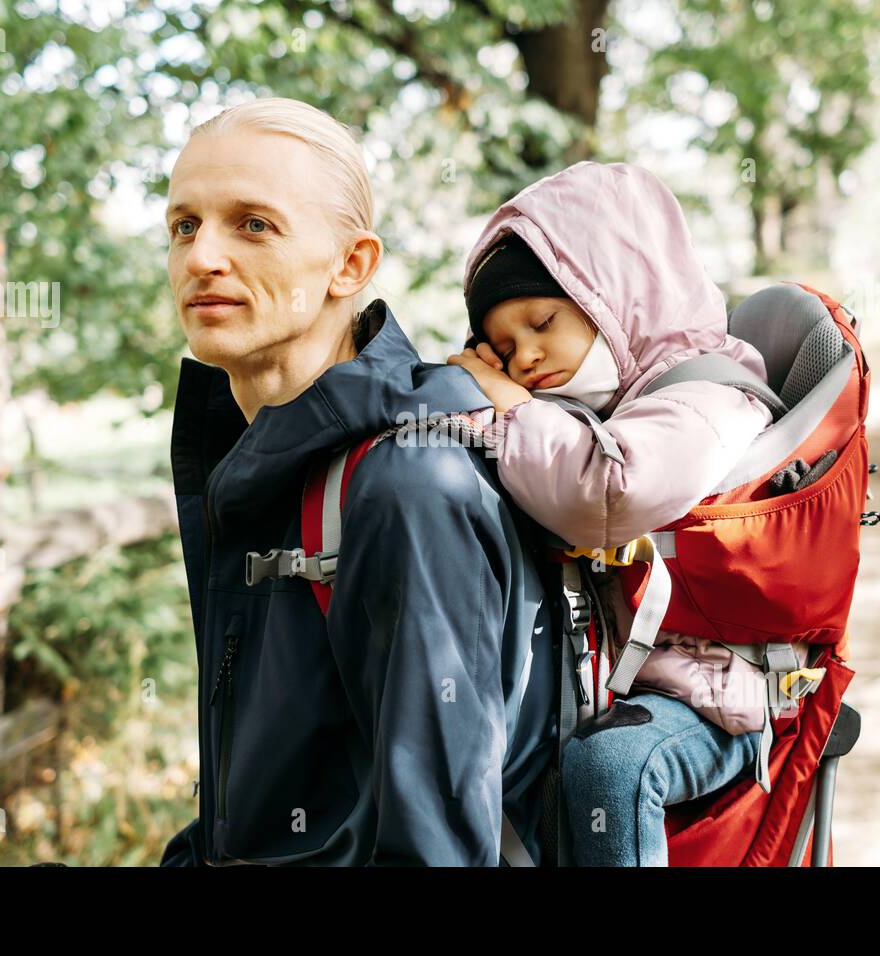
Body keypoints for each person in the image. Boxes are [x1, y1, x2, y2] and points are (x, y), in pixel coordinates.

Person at [159, 97, 554, 866]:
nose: (203, 256)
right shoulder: (266, 464)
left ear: (351, 265)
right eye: (184, 225)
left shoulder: (407, 486)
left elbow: (434, 855)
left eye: (253, 224)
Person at [446, 161, 779, 865]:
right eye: (502, 350)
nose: (526, 357)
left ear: (616, 300)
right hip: (626, 676)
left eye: (542, 322)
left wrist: (506, 401)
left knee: (611, 770)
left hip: (713, 696)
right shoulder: (610, 406)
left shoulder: (709, 398)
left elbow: (605, 495)